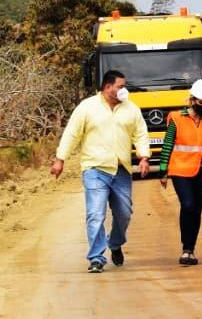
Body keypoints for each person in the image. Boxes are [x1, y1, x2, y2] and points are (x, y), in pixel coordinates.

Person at [51, 70, 151, 273]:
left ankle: (114, 243)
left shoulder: (131, 109)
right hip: (95, 168)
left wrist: (144, 157)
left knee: (124, 214)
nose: (124, 90)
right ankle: (96, 257)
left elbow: (140, 134)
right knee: (95, 214)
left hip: (121, 169)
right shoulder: (87, 108)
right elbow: (72, 134)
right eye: (120, 86)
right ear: (107, 87)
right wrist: (60, 159)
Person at [158, 79, 202, 266]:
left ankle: (190, 250)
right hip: (180, 169)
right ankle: (186, 248)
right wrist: (163, 170)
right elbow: (168, 144)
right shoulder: (176, 118)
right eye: (200, 102)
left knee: (197, 209)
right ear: (192, 100)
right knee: (188, 204)